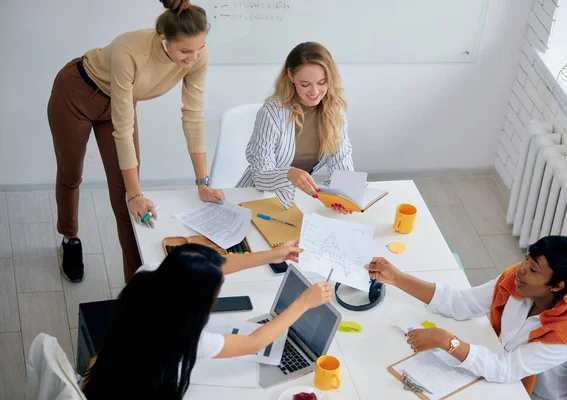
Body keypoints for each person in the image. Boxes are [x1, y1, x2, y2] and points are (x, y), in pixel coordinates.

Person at [47, 0, 224, 284]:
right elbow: (123, 126)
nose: (194, 57)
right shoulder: (129, 50)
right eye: (186, 51)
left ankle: (136, 286)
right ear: (164, 41)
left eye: (200, 48)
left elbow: (193, 116)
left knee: (129, 199)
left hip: (119, 105)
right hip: (77, 93)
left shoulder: (197, 57)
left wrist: (202, 182)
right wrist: (135, 193)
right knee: (71, 175)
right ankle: (70, 238)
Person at [81, 242, 332, 400]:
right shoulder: (186, 336)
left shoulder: (150, 274)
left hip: (104, 373)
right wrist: (304, 303)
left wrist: (269, 255)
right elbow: (255, 343)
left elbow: (211, 267)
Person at [367, 236, 567, 400]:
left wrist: (448, 342)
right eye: (527, 260)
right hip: (501, 371)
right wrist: (397, 278)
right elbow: (461, 302)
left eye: (534, 270)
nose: (522, 270)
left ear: (556, 286)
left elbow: (505, 369)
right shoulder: (517, 281)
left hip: (529, 393)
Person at [236, 42, 354, 213]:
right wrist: (289, 174)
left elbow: (342, 161)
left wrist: (343, 196)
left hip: (296, 200)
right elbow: (260, 176)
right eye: (305, 84)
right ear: (290, 76)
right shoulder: (272, 112)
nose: (314, 92)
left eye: (322, 82)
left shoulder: (335, 111)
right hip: (256, 196)